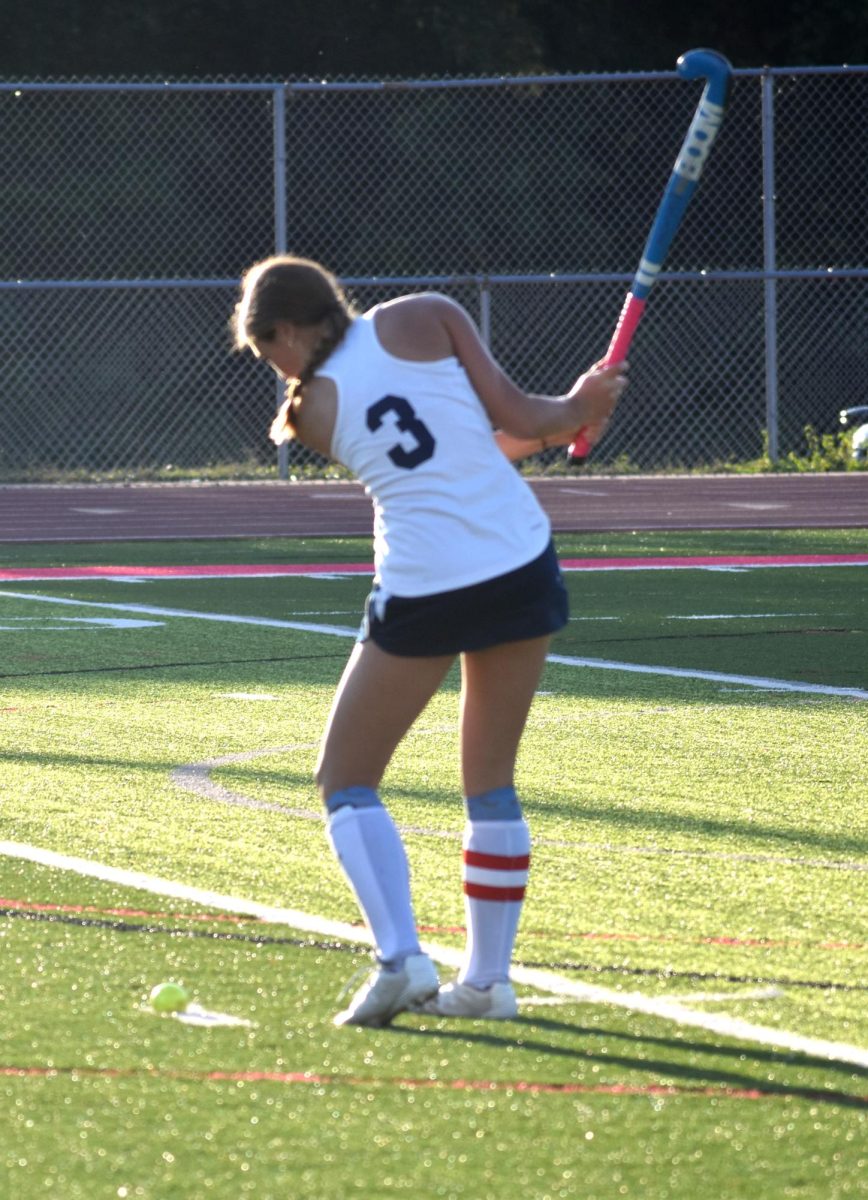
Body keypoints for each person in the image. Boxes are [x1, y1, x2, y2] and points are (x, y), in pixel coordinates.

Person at [232, 255, 626, 1027]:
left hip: (426, 585)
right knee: (490, 784)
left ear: (285, 328)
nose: (270, 366)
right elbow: (513, 423)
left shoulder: (309, 412)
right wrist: (577, 408)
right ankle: (486, 983)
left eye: (264, 350)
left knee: (344, 778)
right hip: (518, 562)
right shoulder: (427, 312)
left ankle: (402, 958)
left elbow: (464, 445)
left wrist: (564, 418)